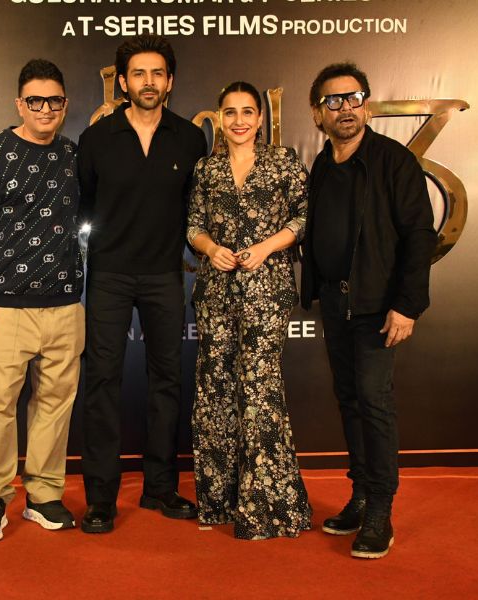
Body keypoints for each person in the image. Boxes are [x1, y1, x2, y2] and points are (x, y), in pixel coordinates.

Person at [301, 62, 436, 558]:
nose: (346, 108)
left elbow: (420, 235)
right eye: (334, 101)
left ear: (367, 106)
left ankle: (380, 508)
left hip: (378, 306)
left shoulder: (393, 161)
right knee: (350, 400)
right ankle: (359, 495)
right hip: (336, 302)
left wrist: (407, 305)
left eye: (354, 98)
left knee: (375, 403)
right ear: (317, 113)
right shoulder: (321, 165)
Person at [77, 34, 207, 533]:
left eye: (157, 73)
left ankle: (160, 488)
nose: (148, 82)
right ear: (123, 82)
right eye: (138, 73)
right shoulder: (97, 139)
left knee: (167, 381)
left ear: (169, 81)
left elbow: (195, 208)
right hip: (108, 275)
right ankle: (101, 499)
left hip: (163, 275)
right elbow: (86, 207)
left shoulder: (190, 139)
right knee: (102, 382)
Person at [0, 59, 84, 542]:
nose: (45, 109)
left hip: (66, 303)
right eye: (36, 100)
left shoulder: (72, 154)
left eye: (54, 100)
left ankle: (44, 495)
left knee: (55, 404)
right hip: (5, 306)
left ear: (65, 105)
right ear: (19, 104)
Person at [187, 81, 312, 540]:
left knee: (259, 390)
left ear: (260, 119)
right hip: (216, 292)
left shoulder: (283, 161)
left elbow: (303, 217)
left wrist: (266, 247)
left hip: (266, 289)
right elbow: (193, 225)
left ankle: (267, 509)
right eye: (230, 112)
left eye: (247, 112)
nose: (238, 120)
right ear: (220, 118)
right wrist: (210, 248)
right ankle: (220, 502)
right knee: (215, 389)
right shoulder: (207, 168)